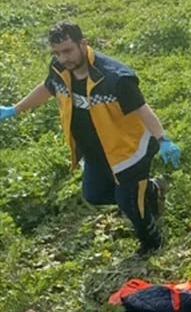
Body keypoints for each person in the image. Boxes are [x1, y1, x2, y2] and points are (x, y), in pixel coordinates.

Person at [0, 21, 180, 256]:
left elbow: (143, 110)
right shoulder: (60, 70)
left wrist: (163, 139)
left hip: (129, 150)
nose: (63, 58)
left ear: (83, 44)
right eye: (57, 53)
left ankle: (153, 243)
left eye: (68, 51)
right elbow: (47, 87)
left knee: (129, 205)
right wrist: (16, 108)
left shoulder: (115, 78)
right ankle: (151, 191)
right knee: (93, 194)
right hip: (96, 151)